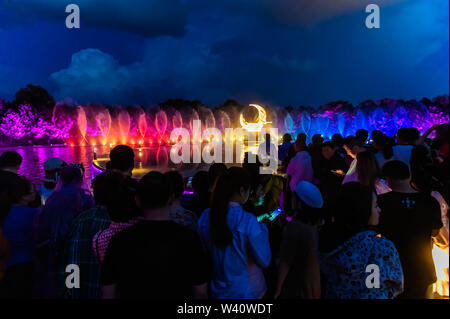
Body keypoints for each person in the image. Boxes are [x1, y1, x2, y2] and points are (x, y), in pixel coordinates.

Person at [101, 171, 209, 299]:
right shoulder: (190, 239)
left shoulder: (119, 241)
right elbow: (200, 292)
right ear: (170, 198)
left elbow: (108, 293)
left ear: (137, 200)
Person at [319, 182, 403, 299]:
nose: (379, 210)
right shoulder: (381, 247)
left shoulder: (323, 241)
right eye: (375, 205)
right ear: (363, 209)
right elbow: (397, 284)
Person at [197, 167, 271, 299]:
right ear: (242, 191)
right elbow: (264, 260)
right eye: (249, 191)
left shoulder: (205, 217)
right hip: (247, 292)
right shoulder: (247, 220)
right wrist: (263, 230)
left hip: (217, 291)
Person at [378, 160, 442, 298]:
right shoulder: (430, 201)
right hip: (422, 265)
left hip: (391, 266)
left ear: (388, 180)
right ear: (409, 176)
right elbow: (435, 232)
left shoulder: (381, 202)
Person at [33, 165, 94, 298]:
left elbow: (43, 225)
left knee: (58, 281)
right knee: (73, 281)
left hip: (54, 246)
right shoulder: (84, 198)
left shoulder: (52, 199)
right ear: (79, 179)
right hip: (75, 247)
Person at [63, 172, 118, 299]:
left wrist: (71, 289)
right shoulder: (120, 221)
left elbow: (73, 258)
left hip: (85, 290)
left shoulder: (81, 220)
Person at [275, 181, 323, 299]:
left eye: (293, 196)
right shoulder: (318, 225)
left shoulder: (295, 227)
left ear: (300, 203)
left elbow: (285, 262)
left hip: (296, 285)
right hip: (315, 287)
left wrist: (278, 291)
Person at [0, 175, 38, 298]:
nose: (35, 194)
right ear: (24, 196)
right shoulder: (33, 214)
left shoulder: (4, 211)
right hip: (25, 264)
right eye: (33, 191)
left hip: (5, 265)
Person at [318, 141, 347, 207]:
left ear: (333, 149)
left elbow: (342, 173)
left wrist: (331, 171)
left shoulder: (338, 160)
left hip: (336, 190)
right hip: (328, 189)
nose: (325, 152)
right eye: (323, 151)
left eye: (327, 150)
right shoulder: (324, 160)